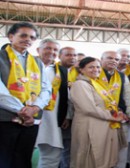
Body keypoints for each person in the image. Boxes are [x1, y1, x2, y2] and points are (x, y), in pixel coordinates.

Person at [0, 22, 52, 167]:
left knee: (23, 159)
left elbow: (46, 89)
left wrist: (34, 108)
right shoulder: (1, 57)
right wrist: (22, 110)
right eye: (23, 35)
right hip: (5, 119)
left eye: (32, 37)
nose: (28, 39)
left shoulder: (37, 61)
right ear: (11, 36)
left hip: (31, 121)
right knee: (4, 159)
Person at [70, 57, 125, 167]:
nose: (96, 69)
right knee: (90, 160)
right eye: (91, 67)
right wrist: (113, 117)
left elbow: (107, 104)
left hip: (104, 127)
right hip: (90, 127)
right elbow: (89, 108)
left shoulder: (96, 83)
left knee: (103, 160)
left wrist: (116, 112)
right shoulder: (80, 84)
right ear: (81, 70)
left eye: (98, 67)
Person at [100, 51, 130, 168]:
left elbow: (129, 96)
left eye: (116, 59)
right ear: (101, 59)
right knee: (101, 149)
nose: (113, 61)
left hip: (120, 118)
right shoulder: (93, 73)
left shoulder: (122, 76)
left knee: (121, 149)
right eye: (109, 58)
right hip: (100, 118)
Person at [35, 38, 69, 168]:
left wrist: (65, 115)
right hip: (29, 115)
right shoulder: (27, 64)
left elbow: (66, 95)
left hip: (52, 117)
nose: (51, 52)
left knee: (52, 154)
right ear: (38, 50)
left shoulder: (61, 70)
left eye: (55, 50)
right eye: (48, 48)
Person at [59, 46, 77, 168]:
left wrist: (68, 116)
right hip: (55, 116)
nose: (72, 57)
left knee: (67, 149)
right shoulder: (54, 70)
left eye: (74, 55)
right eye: (68, 55)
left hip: (70, 117)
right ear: (60, 56)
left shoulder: (77, 72)